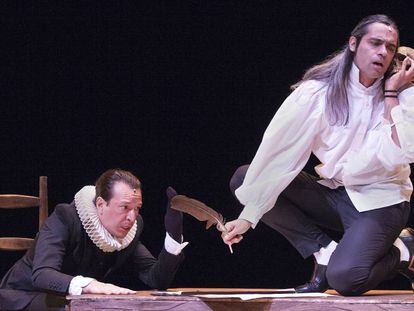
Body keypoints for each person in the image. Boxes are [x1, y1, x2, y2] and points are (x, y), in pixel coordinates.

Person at [222, 14, 414, 296]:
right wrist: (250, 215)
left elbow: (404, 150)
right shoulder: (316, 93)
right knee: (244, 179)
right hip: (337, 194)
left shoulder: (403, 92)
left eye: (390, 47)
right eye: (375, 43)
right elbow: (281, 155)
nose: (383, 52)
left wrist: (391, 95)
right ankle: (323, 252)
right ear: (353, 43)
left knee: (347, 279)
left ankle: (405, 249)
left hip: (381, 202)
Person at [0, 169, 187, 310]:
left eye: (137, 208)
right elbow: (42, 275)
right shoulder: (65, 217)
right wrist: (91, 285)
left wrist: (173, 233)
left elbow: (156, 279)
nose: (132, 217)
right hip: (24, 297)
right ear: (100, 204)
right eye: (125, 207)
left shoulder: (127, 231)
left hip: (73, 303)